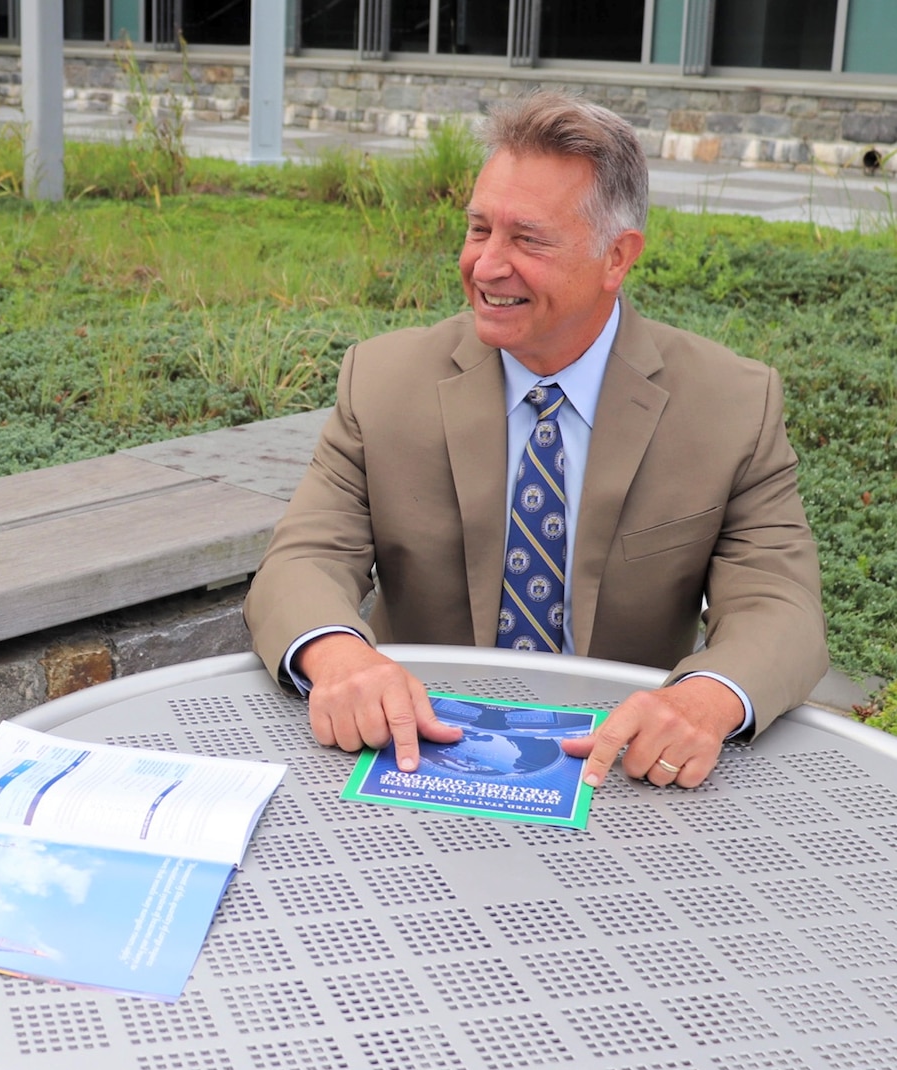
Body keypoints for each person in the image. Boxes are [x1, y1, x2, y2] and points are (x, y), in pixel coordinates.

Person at [244, 91, 827, 791]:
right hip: (412, 753)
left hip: (619, 774)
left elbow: (780, 608)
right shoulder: (381, 381)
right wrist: (338, 655)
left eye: (527, 239)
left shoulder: (730, 405)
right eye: (478, 229)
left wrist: (701, 701)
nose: (486, 266)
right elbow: (303, 558)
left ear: (616, 257)